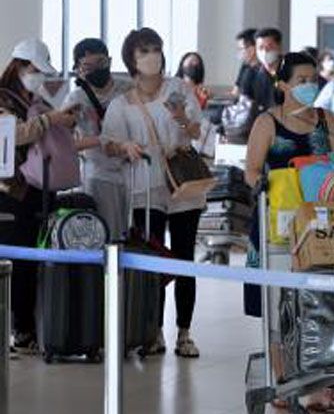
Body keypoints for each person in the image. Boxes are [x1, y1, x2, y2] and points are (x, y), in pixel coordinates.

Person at [244, 52, 334, 412]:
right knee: (278, 309)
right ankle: (285, 383)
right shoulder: (267, 123)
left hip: (318, 226)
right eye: (301, 79)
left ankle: (319, 384)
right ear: (282, 84)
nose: (309, 85)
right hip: (276, 226)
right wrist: (270, 187)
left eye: (312, 78)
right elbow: (251, 171)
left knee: (318, 307)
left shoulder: (325, 120)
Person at [103, 28, 205, 358]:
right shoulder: (122, 102)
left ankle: (185, 332)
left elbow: (197, 130)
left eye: (156, 49)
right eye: (144, 51)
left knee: (185, 256)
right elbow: (109, 144)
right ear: (131, 59)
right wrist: (124, 147)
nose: (152, 56)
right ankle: (154, 330)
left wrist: (182, 119)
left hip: (183, 181)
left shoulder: (178, 88)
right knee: (152, 257)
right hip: (145, 185)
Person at [0, 38, 77, 353]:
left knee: (32, 260)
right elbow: (13, 134)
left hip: (37, 188)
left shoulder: (32, 98)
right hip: (10, 192)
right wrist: (49, 120)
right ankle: (19, 328)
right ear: (18, 66)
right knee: (18, 260)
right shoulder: (4, 99)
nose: (38, 76)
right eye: (34, 70)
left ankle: (28, 327)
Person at [63, 38, 132, 241]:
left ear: (110, 61)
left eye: (101, 63)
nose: (96, 70)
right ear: (78, 69)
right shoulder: (75, 99)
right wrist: (100, 140)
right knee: (103, 236)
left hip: (132, 172)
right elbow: (66, 144)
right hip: (98, 175)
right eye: (88, 66)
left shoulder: (127, 90)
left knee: (129, 237)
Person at [251, 27, 283, 118]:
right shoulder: (252, 74)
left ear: (279, 47)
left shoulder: (292, 71)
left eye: (269, 47)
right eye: (260, 47)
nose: (265, 51)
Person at [233, 28, 258, 99]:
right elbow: (235, 93)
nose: (239, 53)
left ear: (252, 49)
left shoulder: (265, 71)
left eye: (240, 49)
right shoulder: (245, 66)